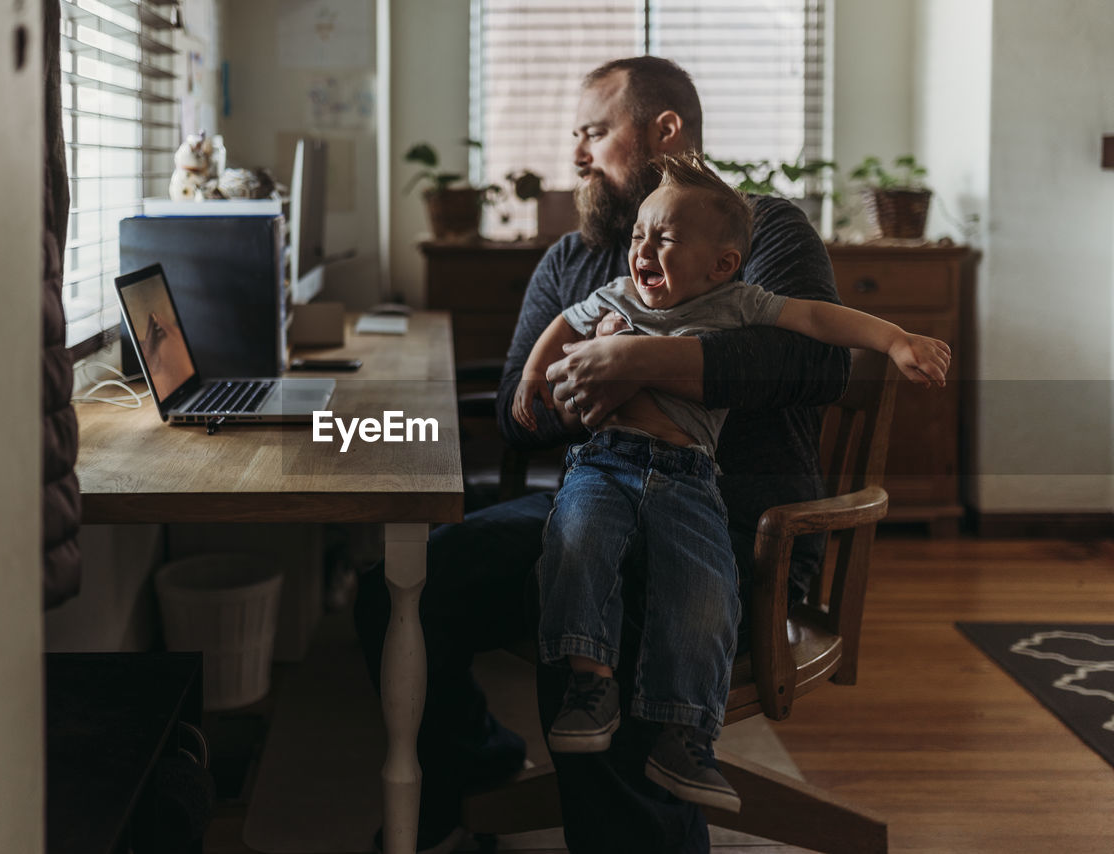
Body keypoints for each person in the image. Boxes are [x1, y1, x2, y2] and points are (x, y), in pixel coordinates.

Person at [354, 55, 854, 854]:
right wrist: (585, 388)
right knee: (400, 590)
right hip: (598, 497)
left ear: (664, 131)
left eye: (594, 132)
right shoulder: (573, 263)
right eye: (575, 137)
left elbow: (817, 363)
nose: (577, 155)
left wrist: (635, 363)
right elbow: (519, 419)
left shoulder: (760, 230)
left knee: (605, 615)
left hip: (738, 527)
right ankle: (475, 769)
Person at [513, 152, 948, 814]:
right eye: (638, 237)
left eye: (664, 240)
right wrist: (533, 377)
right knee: (576, 544)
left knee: (705, 587)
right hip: (606, 462)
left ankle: (686, 738)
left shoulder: (738, 304)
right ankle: (589, 683)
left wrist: (893, 339)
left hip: (690, 476)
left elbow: (818, 326)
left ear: (719, 264)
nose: (642, 251)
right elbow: (562, 325)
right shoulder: (617, 296)